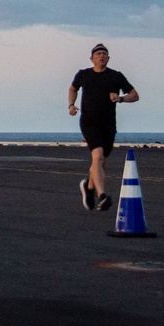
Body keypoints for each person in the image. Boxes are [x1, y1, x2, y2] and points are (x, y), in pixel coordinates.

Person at [68, 43, 139, 212]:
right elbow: (73, 88)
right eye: (98, 53)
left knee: (101, 162)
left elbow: (135, 95)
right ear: (92, 58)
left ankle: (89, 187)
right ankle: (102, 196)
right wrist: (71, 105)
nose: (101, 56)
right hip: (89, 122)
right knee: (98, 157)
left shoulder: (116, 76)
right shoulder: (83, 74)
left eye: (104, 54)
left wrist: (121, 98)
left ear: (108, 58)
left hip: (108, 124)